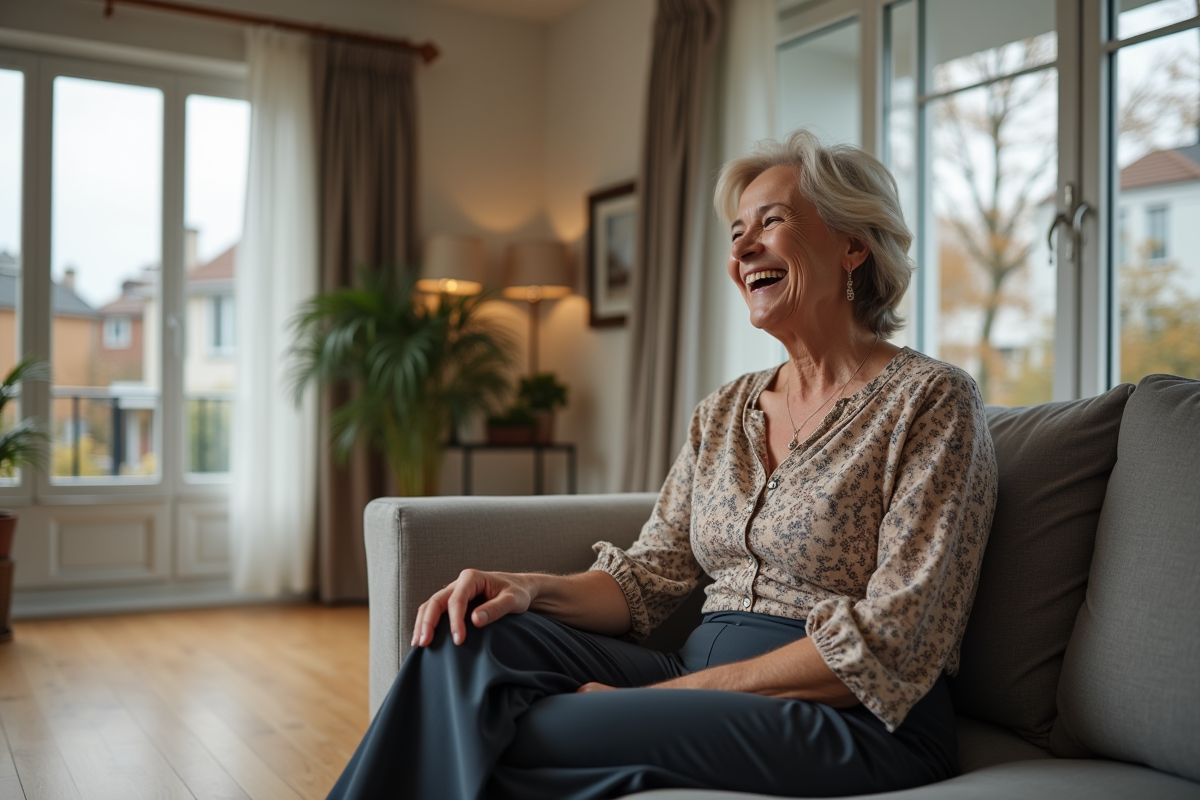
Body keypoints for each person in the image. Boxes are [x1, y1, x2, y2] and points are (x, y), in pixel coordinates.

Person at [327, 129, 998, 800]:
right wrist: (527, 588)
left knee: (497, 726)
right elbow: (650, 578)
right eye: (737, 232)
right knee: (467, 638)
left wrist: (666, 699)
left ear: (853, 245)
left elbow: (897, 636)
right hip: (690, 673)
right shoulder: (723, 411)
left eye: (771, 221)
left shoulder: (931, 400)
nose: (742, 248)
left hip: (851, 715)